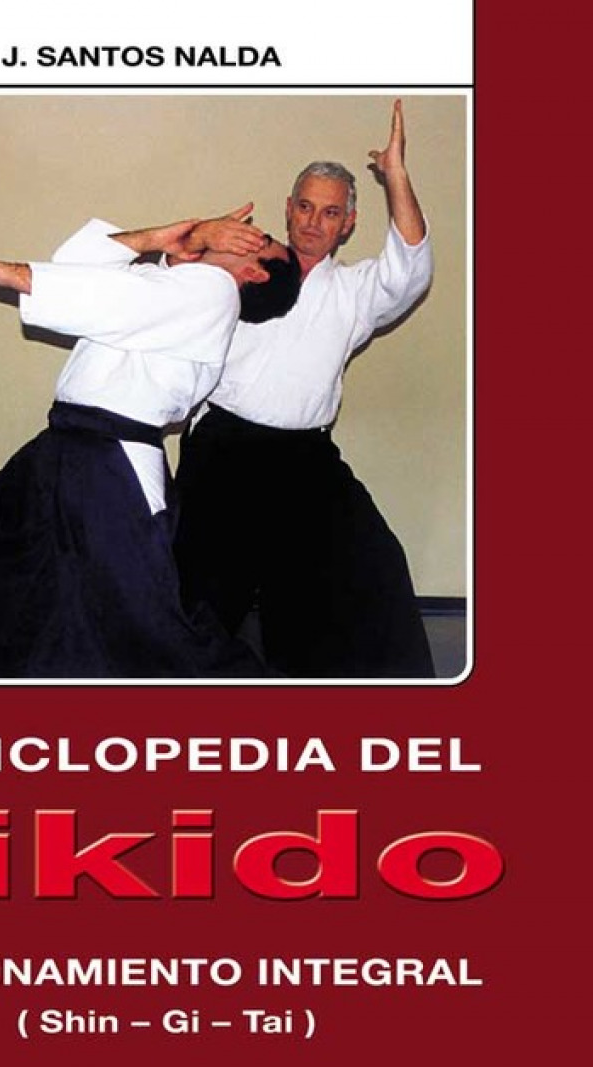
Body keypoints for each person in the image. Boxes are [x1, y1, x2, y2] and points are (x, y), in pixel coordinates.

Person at [0, 208, 302, 679]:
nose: (249, 232)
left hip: (111, 463)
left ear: (254, 272)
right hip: (63, 447)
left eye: (261, 240)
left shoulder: (213, 293)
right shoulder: (176, 285)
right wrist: (160, 238)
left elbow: (109, 299)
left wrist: (2, 273)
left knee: (142, 630)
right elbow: (76, 266)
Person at [174, 100, 437, 679]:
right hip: (224, 450)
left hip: (304, 458)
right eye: (305, 206)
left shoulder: (358, 290)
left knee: (372, 566)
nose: (314, 222)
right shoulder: (246, 265)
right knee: (200, 596)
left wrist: (395, 173)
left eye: (330, 212)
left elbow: (412, 267)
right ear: (289, 208)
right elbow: (172, 271)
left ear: (349, 223)